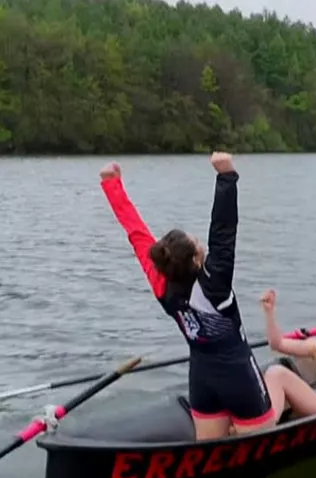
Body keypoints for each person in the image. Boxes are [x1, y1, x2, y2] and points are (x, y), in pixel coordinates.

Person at [99, 152, 281, 440]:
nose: (201, 242)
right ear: (197, 259)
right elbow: (223, 230)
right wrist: (226, 176)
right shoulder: (214, 282)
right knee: (262, 444)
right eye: (198, 243)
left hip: (202, 381)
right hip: (239, 378)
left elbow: (136, 233)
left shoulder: (161, 283)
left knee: (211, 450)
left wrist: (112, 185)